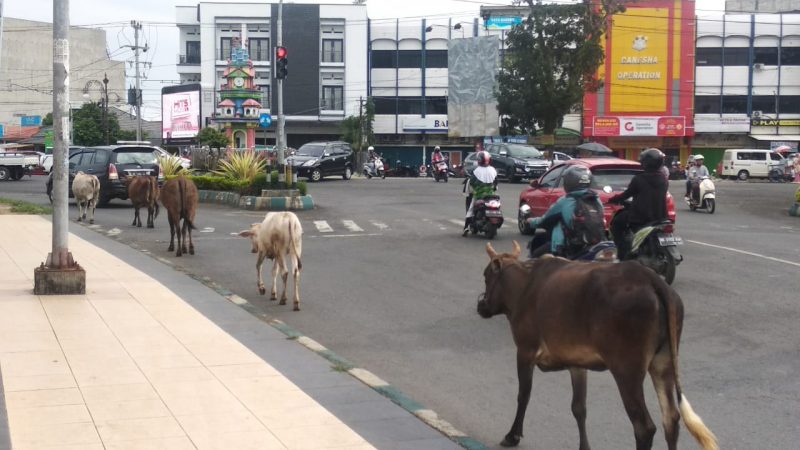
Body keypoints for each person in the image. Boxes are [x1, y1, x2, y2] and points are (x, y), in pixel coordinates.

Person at [526, 165, 605, 258]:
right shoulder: (596, 199)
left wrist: (531, 221)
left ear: (569, 182)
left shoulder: (565, 201)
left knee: (535, 257)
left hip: (568, 247)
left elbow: (544, 220)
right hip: (596, 244)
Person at [609, 148, 669, 260]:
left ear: (646, 163)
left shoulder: (638, 179)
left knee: (617, 223)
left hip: (640, 217)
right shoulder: (663, 179)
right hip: (660, 216)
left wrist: (613, 199)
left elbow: (626, 195)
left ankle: (622, 253)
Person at [463, 151, 498, 236]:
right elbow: (496, 182)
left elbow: (472, 183)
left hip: (479, 195)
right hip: (492, 195)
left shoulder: (476, 171)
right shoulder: (493, 170)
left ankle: (466, 228)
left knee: (470, 209)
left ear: (479, 160)